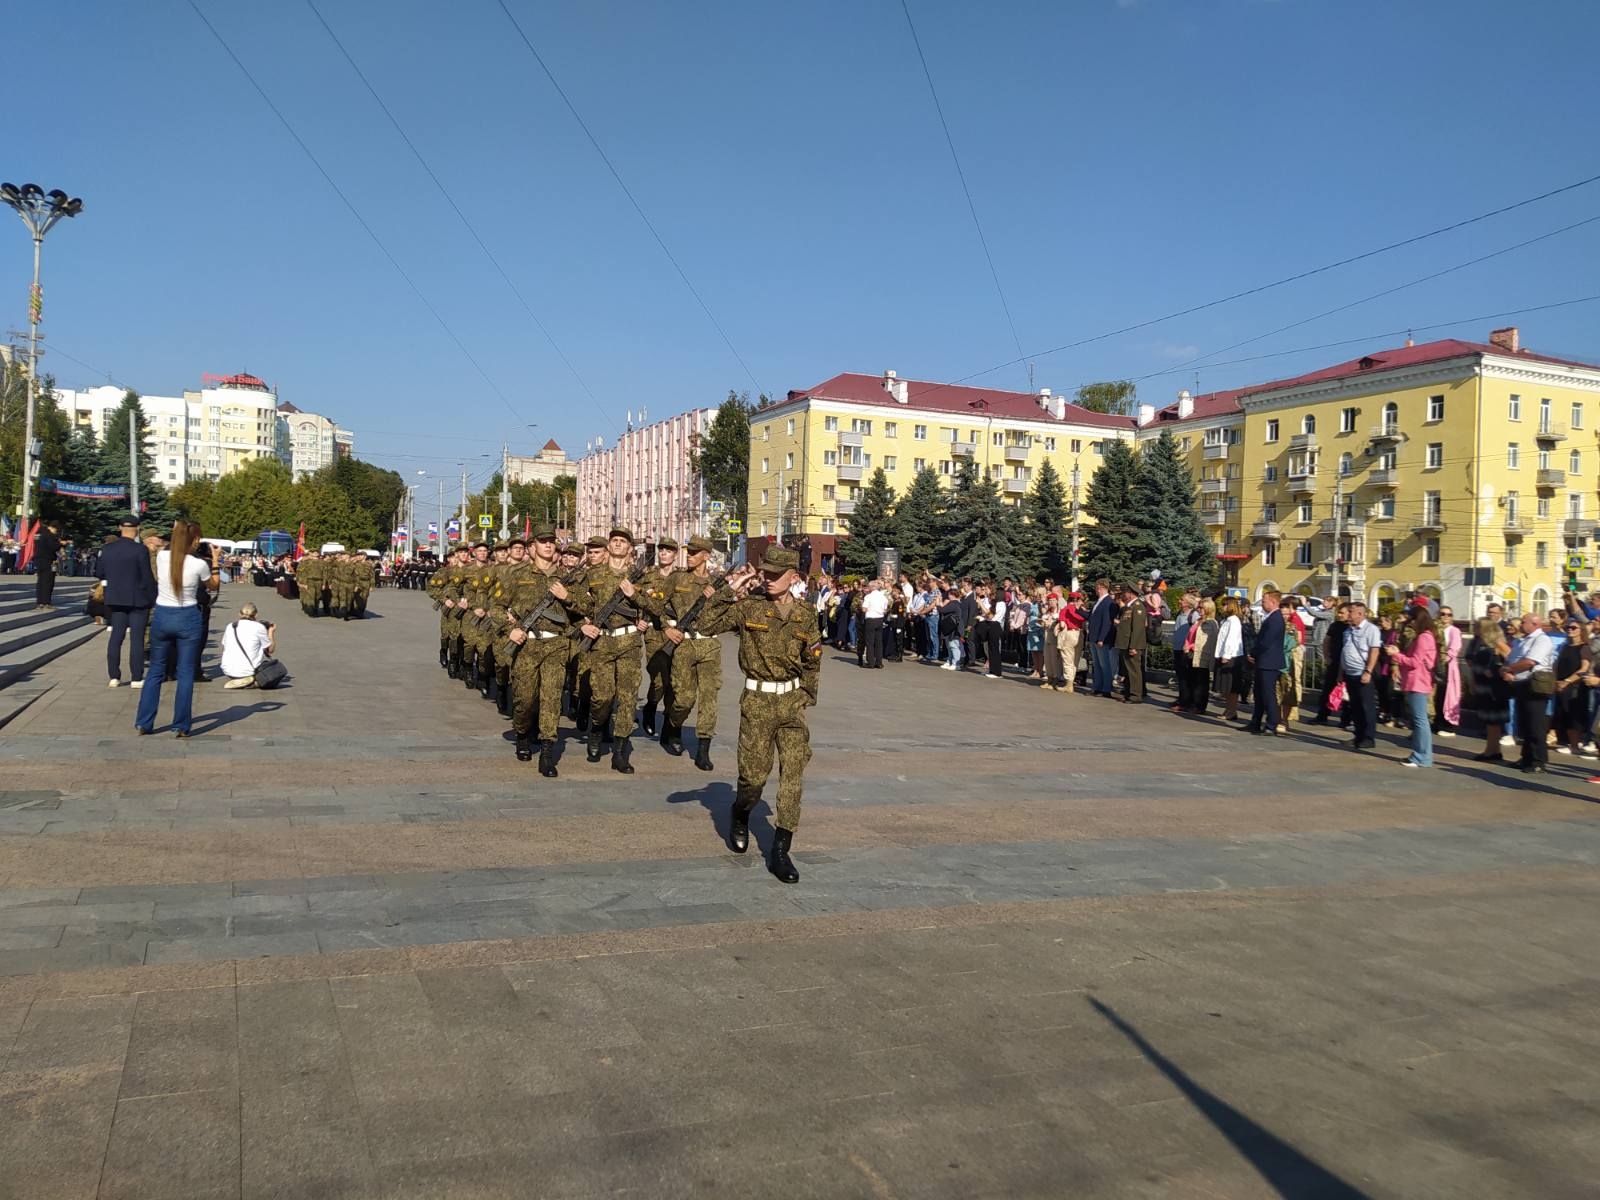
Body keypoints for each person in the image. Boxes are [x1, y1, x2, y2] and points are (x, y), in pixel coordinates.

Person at [698, 546, 822, 884]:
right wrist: (731, 588)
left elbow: (813, 659)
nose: (767, 579)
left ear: (793, 578)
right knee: (753, 777)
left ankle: (781, 849)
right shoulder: (749, 606)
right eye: (764, 572)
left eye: (775, 574)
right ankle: (740, 811)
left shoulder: (807, 614)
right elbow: (705, 623)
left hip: (792, 703)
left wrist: (807, 697)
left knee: (793, 775)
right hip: (757, 700)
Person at [496, 527, 581, 776]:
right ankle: (522, 733)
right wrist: (510, 628)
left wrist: (567, 597)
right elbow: (496, 608)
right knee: (525, 699)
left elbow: (586, 607)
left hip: (555, 645)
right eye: (542, 542)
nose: (547, 546)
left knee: (551, 698)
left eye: (551, 542)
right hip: (527, 645)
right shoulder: (517, 575)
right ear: (533, 547)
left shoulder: (568, 577)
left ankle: (547, 752)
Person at [577, 527, 658, 773]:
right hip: (601, 643)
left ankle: (620, 751)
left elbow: (655, 605)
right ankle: (596, 729)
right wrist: (584, 625)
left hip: (629, 643)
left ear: (630, 548)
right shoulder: (593, 574)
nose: (618, 544)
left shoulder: (640, 577)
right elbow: (577, 605)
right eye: (614, 541)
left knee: (627, 698)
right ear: (609, 546)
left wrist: (635, 595)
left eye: (623, 541)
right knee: (601, 697)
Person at [134, 521, 219, 737]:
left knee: (155, 670)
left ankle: (144, 722)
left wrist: (177, 530)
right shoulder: (199, 564)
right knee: (186, 672)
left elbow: (165, 545)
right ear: (196, 540)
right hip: (188, 616)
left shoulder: (163, 557)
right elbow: (214, 585)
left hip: (163, 615)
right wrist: (216, 559)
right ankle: (181, 725)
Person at [99, 516, 157, 688]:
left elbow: (99, 572)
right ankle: (136, 678)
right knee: (137, 639)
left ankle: (114, 676)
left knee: (116, 637)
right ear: (137, 529)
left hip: (116, 598)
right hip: (137, 599)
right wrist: (153, 597)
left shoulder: (107, 549)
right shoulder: (140, 550)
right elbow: (147, 577)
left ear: (119, 527)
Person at [1502, 611, 1555, 774]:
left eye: (1524, 621)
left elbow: (1530, 662)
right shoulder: (1521, 640)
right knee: (1524, 723)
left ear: (1535, 624)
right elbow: (1512, 658)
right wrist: (1507, 670)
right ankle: (1526, 757)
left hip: (1535, 685)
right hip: (1521, 683)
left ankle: (1539, 760)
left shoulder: (1542, 640)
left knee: (1536, 724)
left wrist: (1509, 669)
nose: (1520, 624)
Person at [1385, 605, 1437, 767]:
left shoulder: (1423, 638)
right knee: (1420, 720)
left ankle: (1421, 756)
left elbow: (1415, 662)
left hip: (1417, 682)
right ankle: (1422, 755)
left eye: (1411, 620)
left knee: (1420, 721)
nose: (1409, 623)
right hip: (1418, 681)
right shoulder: (1426, 636)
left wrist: (1396, 655)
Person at [638, 537, 679, 735]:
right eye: (661, 549)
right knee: (658, 679)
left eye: (668, 550)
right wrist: (639, 619)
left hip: (677, 630)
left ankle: (669, 726)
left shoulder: (682, 577)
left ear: (675, 554)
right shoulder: (647, 575)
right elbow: (636, 600)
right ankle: (650, 708)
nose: (664, 553)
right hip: (654, 630)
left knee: (674, 679)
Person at [1465, 618, 1513, 762]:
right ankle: (1492, 749)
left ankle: (1492, 751)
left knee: (1493, 720)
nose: (1475, 628)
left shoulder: (1498, 644)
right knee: (1489, 721)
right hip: (1484, 686)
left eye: (1478, 626)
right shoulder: (1480, 644)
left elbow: (1511, 659)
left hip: (1494, 687)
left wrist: (1498, 670)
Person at [1339, 602, 1383, 750]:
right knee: (1355, 706)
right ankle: (1358, 735)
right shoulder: (1348, 630)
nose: (1348, 614)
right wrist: (1341, 672)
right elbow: (1344, 651)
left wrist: (1368, 671)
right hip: (1349, 672)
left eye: (1351, 612)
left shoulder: (1371, 630)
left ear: (1360, 614)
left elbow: (1374, 651)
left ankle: (1369, 737)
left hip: (1363, 673)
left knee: (1366, 706)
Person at [1551, 616, 1595, 757]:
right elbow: (1557, 665)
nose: (1570, 630)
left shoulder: (1585, 647)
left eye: (1573, 628)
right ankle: (1568, 742)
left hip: (1575, 686)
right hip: (1560, 683)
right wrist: (1555, 679)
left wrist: (1567, 681)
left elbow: (1584, 668)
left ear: (1580, 631)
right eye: (1568, 628)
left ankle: (1575, 745)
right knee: (1563, 713)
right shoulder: (1565, 646)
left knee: (1573, 714)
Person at [1243, 590, 1285, 735]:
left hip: (1269, 662)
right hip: (1263, 661)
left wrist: (1253, 653)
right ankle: (1255, 722)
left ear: (1273, 602)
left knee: (1268, 694)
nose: (1262, 603)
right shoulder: (1270, 617)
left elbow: (1266, 641)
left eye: (1264, 600)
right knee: (1259, 694)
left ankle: (1272, 724)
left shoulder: (1276, 619)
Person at [221, 603, 276, 689]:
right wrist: (271, 632)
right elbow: (270, 650)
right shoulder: (259, 627)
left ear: (239, 614)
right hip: (249, 670)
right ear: (256, 615)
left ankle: (238, 679)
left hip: (227, 669)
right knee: (274, 672)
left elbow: (225, 646)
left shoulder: (231, 626)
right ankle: (253, 681)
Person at [1432, 605, 1462, 738]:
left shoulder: (1454, 631)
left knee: (1447, 695)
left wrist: (1444, 658)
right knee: (1435, 696)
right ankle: (1436, 722)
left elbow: (1454, 648)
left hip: (1447, 667)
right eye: (1443, 614)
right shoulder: (1434, 629)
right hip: (1433, 664)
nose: (1445, 617)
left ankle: (1448, 725)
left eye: (1448, 614)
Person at [1114, 583, 1147, 703]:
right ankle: (1128, 692)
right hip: (1125, 643)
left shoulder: (1138, 606)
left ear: (1131, 593)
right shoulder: (1129, 606)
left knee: (1134, 671)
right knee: (1127, 671)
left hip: (1132, 644)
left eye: (1125, 592)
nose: (1123, 595)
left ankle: (1135, 695)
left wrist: (1133, 646)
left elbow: (1137, 629)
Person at [1214, 597, 1244, 721]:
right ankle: (1228, 708)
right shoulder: (1227, 620)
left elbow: (1231, 638)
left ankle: (1232, 710)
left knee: (1232, 687)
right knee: (1226, 687)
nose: (1223, 607)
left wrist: (1226, 655)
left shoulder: (1234, 620)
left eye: (1225, 605)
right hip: (1224, 655)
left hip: (1232, 656)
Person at [1168, 592, 1198, 712]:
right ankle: (1182, 698)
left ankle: (1186, 702)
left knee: (1186, 677)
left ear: (1188, 603)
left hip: (1186, 650)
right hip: (1177, 648)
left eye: (1182, 600)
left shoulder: (1193, 615)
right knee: (1180, 676)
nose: (1179, 601)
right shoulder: (1180, 614)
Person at [1187, 597, 1218, 714]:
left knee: (1202, 682)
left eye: (1202, 608)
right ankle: (1192, 702)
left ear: (1208, 609)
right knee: (1193, 680)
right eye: (1199, 607)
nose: (1199, 609)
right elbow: (1191, 635)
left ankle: (1200, 706)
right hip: (1192, 654)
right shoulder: (1198, 621)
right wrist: (1188, 645)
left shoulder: (1212, 623)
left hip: (1203, 655)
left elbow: (1211, 641)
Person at [1087, 579, 1117, 697]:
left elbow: (1107, 622)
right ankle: (1097, 687)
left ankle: (1106, 688)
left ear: (1101, 588)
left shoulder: (1109, 602)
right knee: (1097, 664)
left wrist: (1102, 638)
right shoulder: (1098, 602)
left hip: (1101, 638)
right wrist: (1078, 610)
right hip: (1094, 637)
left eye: (1097, 587)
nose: (1096, 590)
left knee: (1105, 664)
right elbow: (1091, 617)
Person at [859, 579, 889, 669]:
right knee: (879, 641)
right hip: (880, 619)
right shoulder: (883, 597)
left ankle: (870, 662)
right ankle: (879, 662)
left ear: (872, 587)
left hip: (871, 619)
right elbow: (885, 608)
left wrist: (862, 605)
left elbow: (864, 609)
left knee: (870, 641)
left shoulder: (869, 597)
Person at [32, 520, 62, 609]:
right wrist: (60, 543)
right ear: (53, 528)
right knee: (48, 582)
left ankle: (40, 602)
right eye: (56, 531)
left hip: (38, 559)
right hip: (47, 560)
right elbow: (53, 546)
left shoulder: (38, 533)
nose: (56, 533)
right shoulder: (48, 534)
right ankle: (46, 603)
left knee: (40, 582)